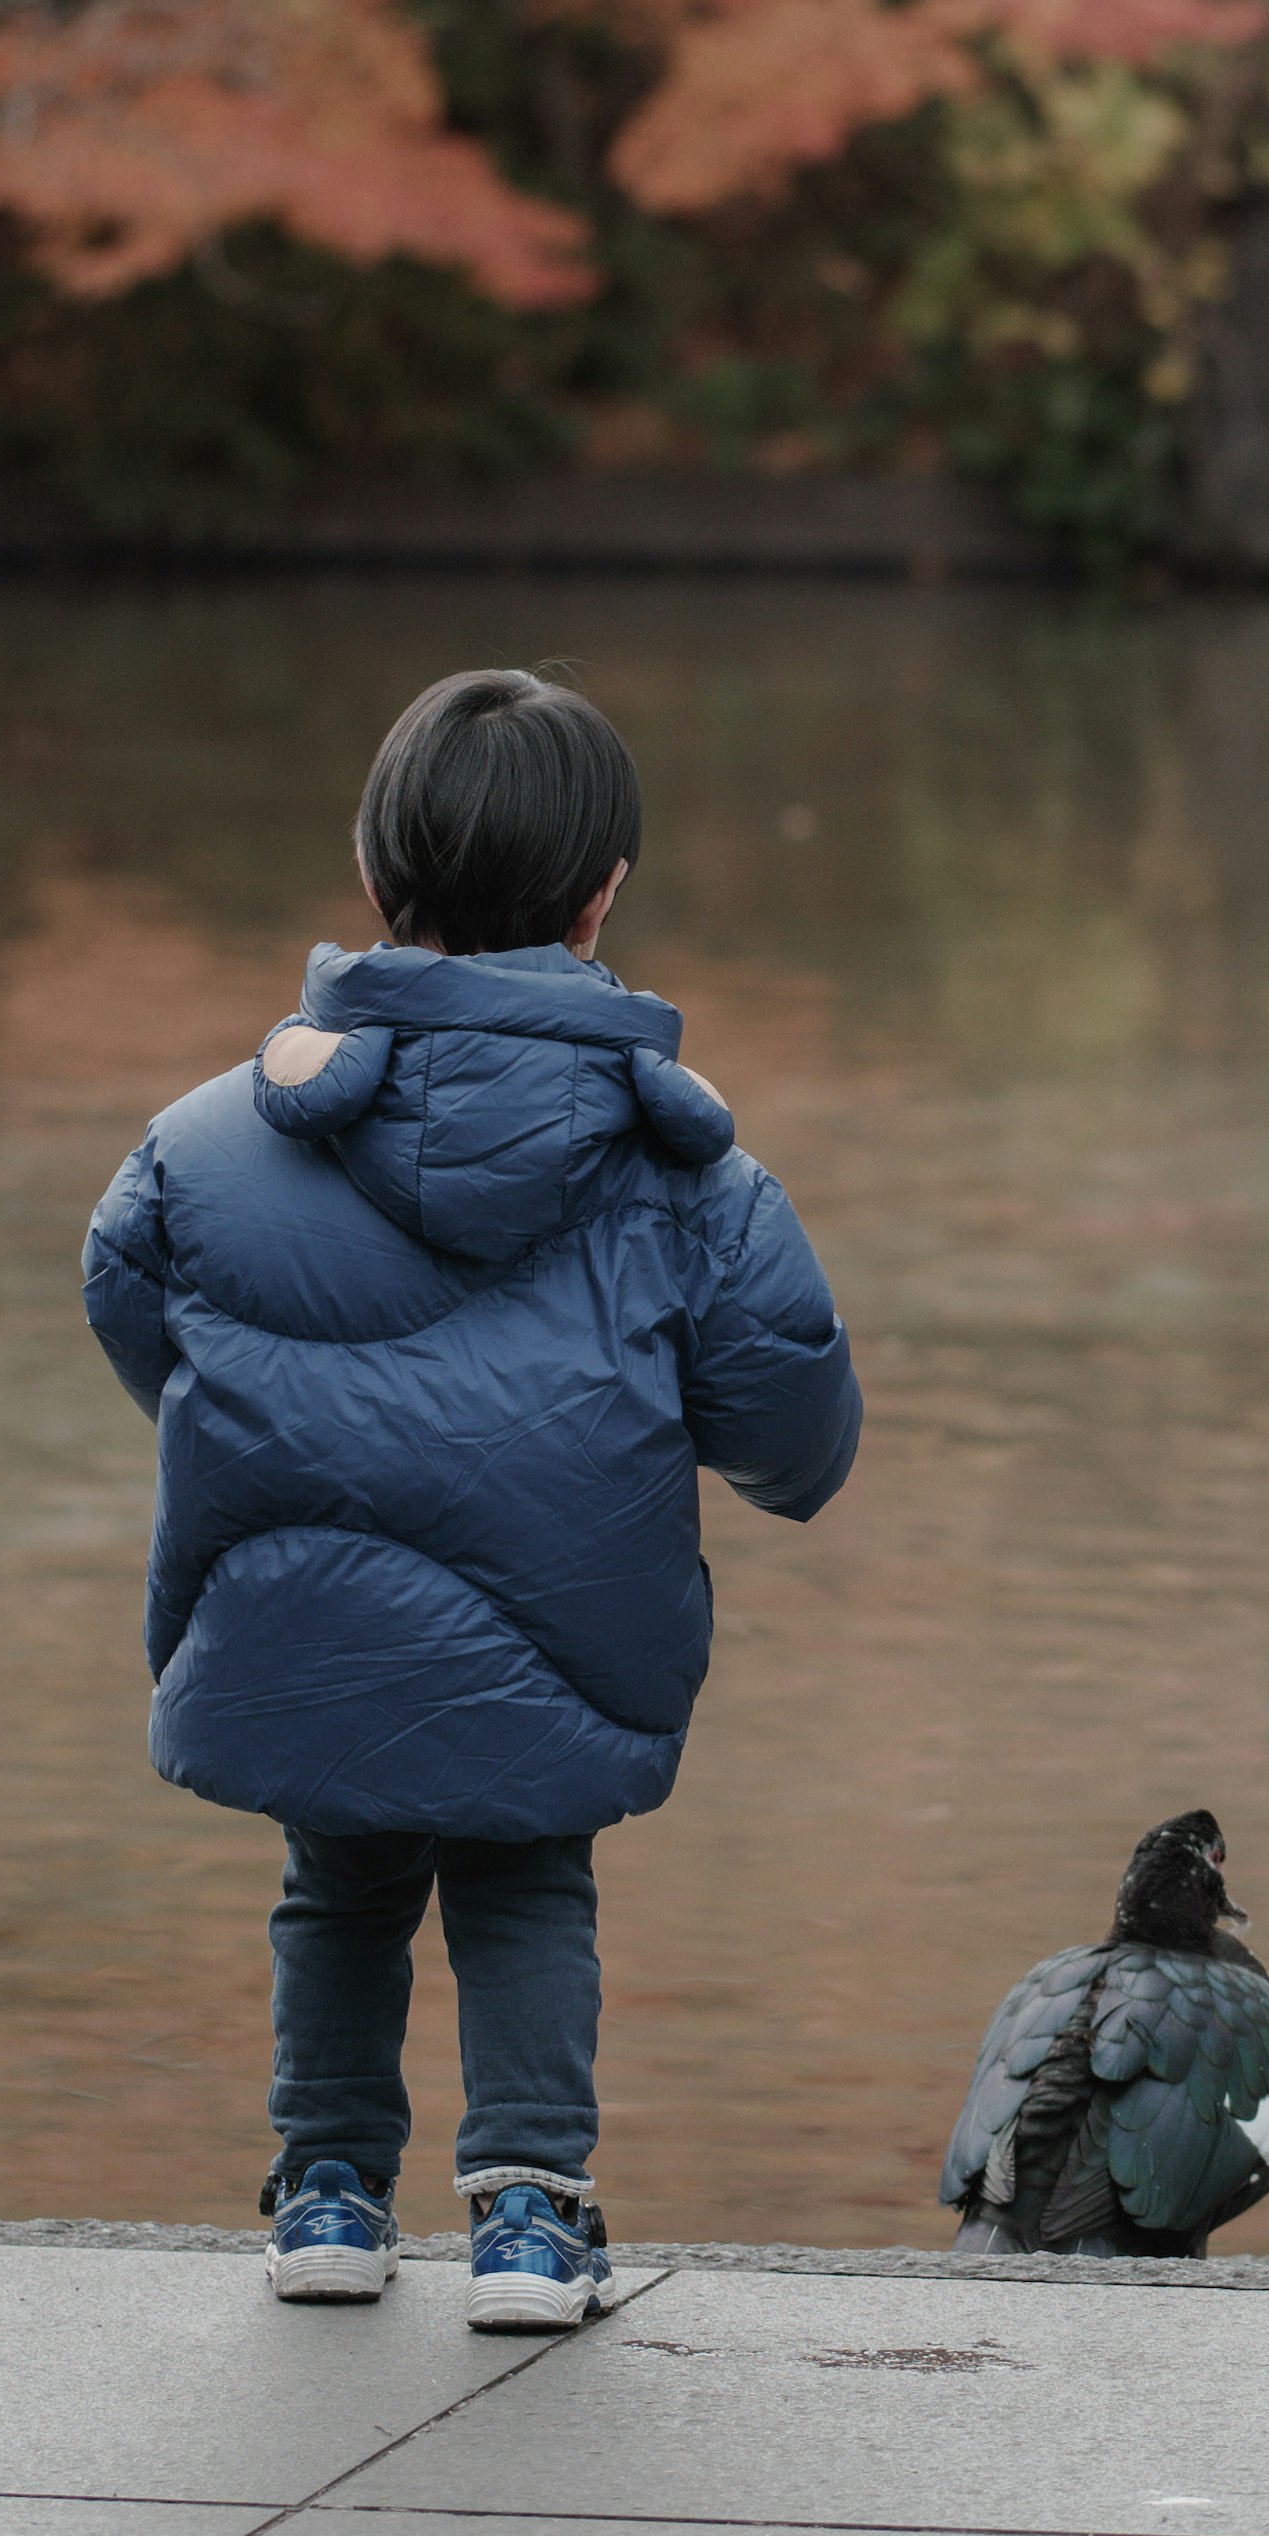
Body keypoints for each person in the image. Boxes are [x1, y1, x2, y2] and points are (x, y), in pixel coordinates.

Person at [81, 665, 860, 2327]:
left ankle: (327, 2198)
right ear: (602, 898)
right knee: (525, 1881)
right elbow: (790, 1414)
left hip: (301, 1594)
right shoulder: (686, 1174)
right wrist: (754, 1472)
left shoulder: (211, 1141)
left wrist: (281, 1429)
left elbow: (135, 1307)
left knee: (337, 1883)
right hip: (567, 1616)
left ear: (376, 882)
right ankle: (528, 2213)